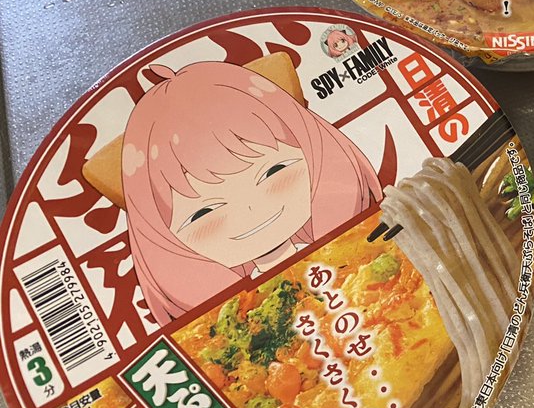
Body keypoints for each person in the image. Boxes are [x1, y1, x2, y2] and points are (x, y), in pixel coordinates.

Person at [120, 60, 381, 325]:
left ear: (314, 151)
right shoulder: (229, 321)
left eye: (273, 171)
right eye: (204, 212)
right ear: (162, 236)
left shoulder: (369, 246)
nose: (251, 210)